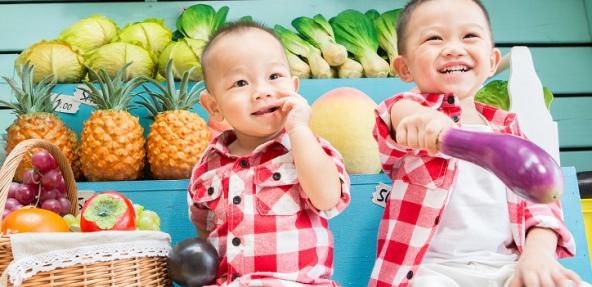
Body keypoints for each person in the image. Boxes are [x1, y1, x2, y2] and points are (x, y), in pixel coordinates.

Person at [369, 0, 586, 286]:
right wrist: (427, 121)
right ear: (404, 68)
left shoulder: (509, 131)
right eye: (434, 38)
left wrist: (538, 256)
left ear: (493, 62)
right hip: (430, 271)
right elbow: (398, 117)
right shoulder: (404, 111)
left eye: (469, 36)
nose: (453, 48)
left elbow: (542, 204)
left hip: (507, 267)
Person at [187, 21, 351, 287]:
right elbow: (205, 232)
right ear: (214, 106)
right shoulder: (208, 165)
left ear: (295, 88)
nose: (262, 91)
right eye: (240, 82)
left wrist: (299, 129)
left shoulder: (308, 148)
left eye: (274, 77)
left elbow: (326, 198)